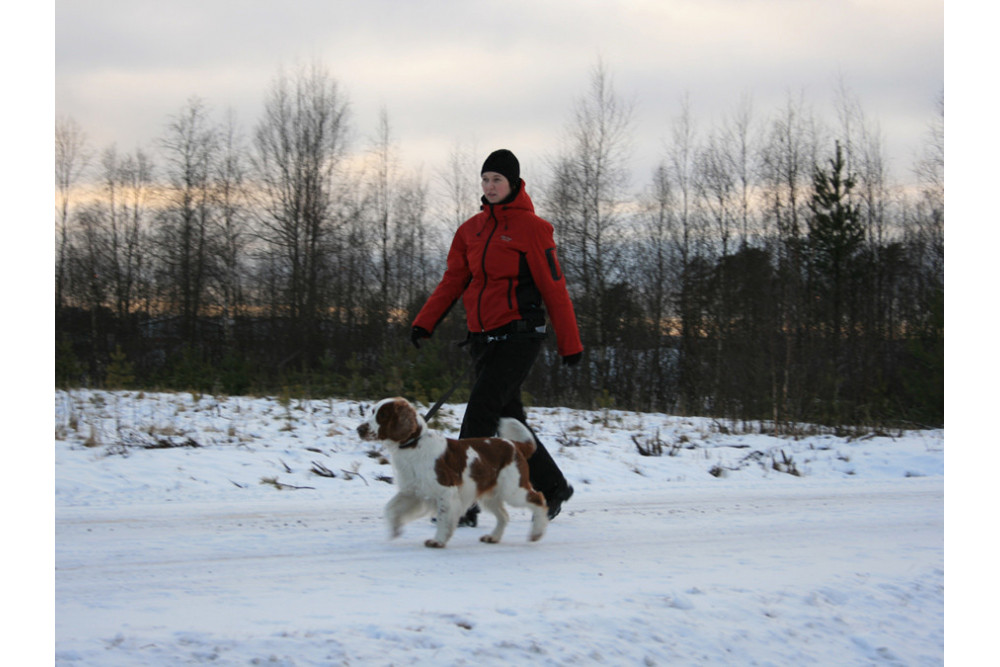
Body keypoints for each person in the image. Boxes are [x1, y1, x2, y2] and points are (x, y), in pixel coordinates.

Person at [410, 148, 582, 523]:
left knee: (479, 416)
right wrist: (425, 321)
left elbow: (555, 289)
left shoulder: (534, 230)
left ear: (514, 183)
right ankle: (553, 487)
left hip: (520, 337)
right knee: (509, 422)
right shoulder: (470, 230)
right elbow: (454, 280)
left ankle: (461, 503)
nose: (490, 186)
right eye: (486, 179)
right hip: (483, 339)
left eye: (497, 180)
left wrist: (571, 343)